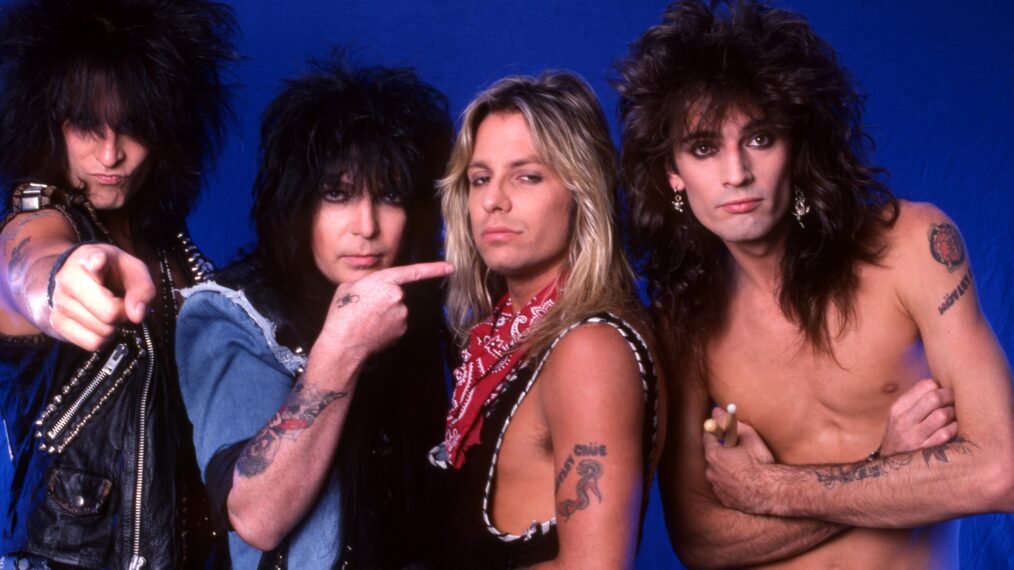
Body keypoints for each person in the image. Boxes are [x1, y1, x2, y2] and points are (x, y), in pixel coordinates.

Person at [615, 0, 1014, 567]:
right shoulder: (687, 319)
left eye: (759, 138)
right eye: (704, 148)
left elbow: (1000, 471)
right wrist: (884, 466)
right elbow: (701, 542)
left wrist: (767, 489)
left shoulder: (911, 246)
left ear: (797, 143)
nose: (736, 174)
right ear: (673, 174)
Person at [176, 55, 454, 569]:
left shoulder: (431, 309)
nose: (366, 226)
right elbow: (257, 516)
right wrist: (344, 346)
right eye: (337, 194)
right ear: (297, 202)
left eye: (389, 196)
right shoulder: (229, 314)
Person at [0, 0, 235, 567]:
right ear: (50, 124)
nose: (111, 154)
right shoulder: (40, 219)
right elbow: (23, 262)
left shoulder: (175, 249)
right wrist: (55, 285)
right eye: (86, 125)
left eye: (135, 126)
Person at [431, 71, 663, 569]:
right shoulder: (497, 338)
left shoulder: (591, 348)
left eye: (527, 176)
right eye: (480, 179)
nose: (494, 200)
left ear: (582, 191)